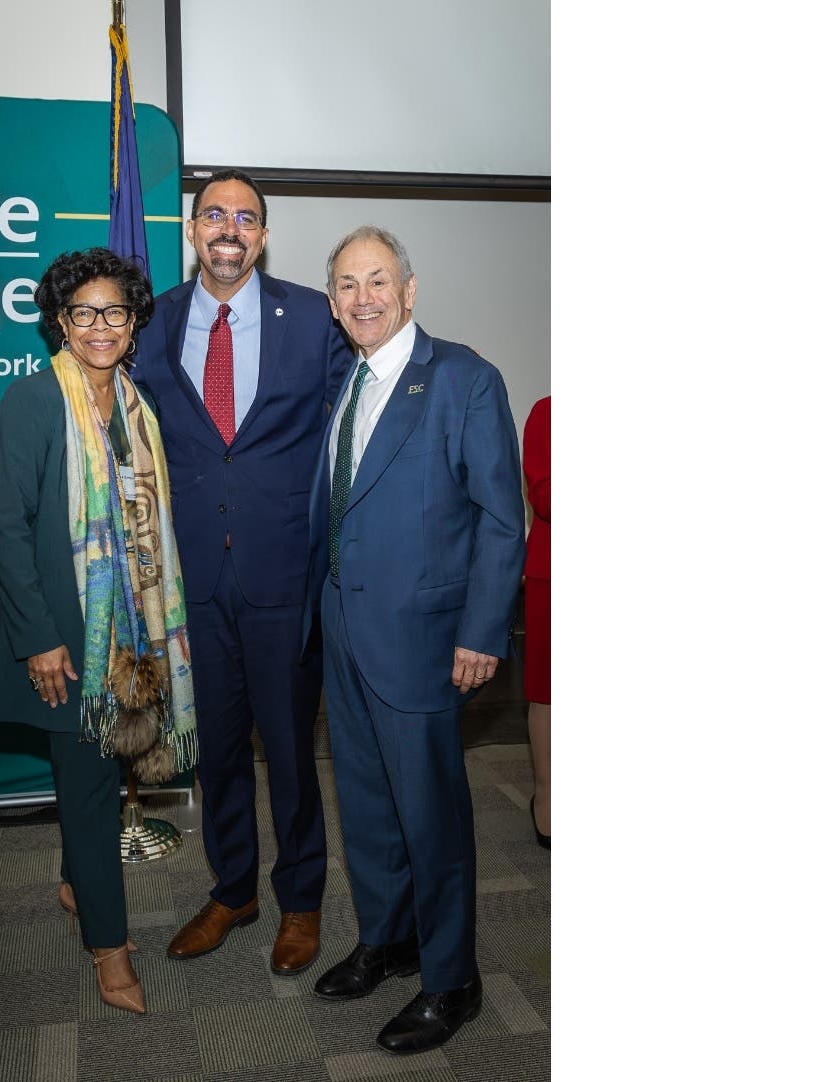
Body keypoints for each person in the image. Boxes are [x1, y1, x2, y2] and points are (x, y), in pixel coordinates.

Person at [302, 226, 525, 1055]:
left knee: (432, 815)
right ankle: (389, 940)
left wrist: (482, 630)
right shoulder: (347, 379)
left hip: (426, 639)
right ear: (333, 303)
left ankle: (452, 979)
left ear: (410, 289)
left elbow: (501, 519)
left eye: (377, 280)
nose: (363, 297)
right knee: (365, 805)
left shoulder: (463, 378)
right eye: (347, 285)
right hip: (344, 628)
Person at [133, 169, 353, 974]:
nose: (230, 228)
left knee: (291, 752)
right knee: (217, 750)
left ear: (262, 236)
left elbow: (348, 434)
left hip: (284, 578)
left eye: (247, 218)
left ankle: (300, 900)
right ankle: (233, 891)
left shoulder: (315, 319)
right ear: (194, 230)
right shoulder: (152, 323)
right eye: (215, 215)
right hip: (191, 581)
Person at [0, 247, 198, 1016]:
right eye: (84, 312)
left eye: (115, 311)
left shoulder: (139, 408)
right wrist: (38, 639)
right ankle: (111, 949)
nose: (101, 326)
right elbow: (8, 527)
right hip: (68, 641)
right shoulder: (33, 401)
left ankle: (78, 882)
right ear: (61, 323)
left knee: (97, 779)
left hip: (134, 630)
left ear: (134, 323)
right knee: (90, 790)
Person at [522, 395, 551, 848]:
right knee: (550, 692)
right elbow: (546, 496)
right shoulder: (548, 412)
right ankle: (549, 801)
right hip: (556, 574)